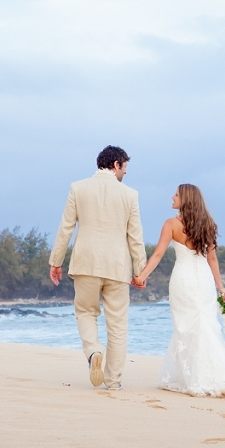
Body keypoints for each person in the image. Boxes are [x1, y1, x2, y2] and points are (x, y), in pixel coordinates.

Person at [135, 184, 225, 397]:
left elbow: (158, 254)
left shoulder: (171, 224)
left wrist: (142, 276)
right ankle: (212, 375)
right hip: (204, 281)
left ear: (186, 199)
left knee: (186, 326)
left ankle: (198, 377)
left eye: (176, 195)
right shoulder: (207, 224)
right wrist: (220, 287)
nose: (172, 197)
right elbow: (212, 258)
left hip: (183, 279)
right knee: (205, 324)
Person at [49, 145, 147, 390]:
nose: (126, 173)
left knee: (85, 312)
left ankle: (93, 352)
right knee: (117, 325)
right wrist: (140, 271)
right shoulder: (130, 195)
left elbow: (66, 228)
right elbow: (135, 237)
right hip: (117, 267)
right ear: (116, 164)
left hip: (86, 263)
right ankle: (113, 381)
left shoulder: (77, 188)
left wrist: (56, 261)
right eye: (125, 167)